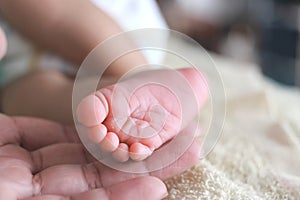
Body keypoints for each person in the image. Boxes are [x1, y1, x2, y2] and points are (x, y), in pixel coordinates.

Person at [0, 0, 208, 162]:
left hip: (106, 28)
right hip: (15, 66)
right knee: (20, 99)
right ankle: (133, 110)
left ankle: (141, 75)